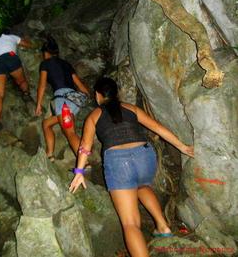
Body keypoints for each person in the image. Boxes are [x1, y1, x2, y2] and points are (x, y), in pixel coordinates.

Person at [69, 77, 194, 257]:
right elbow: (157, 127)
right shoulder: (131, 109)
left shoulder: (94, 115)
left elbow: (85, 146)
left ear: (98, 95)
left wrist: (79, 171)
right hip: (145, 155)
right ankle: (163, 225)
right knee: (143, 186)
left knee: (130, 223)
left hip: (119, 162)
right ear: (116, 93)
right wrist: (181, 146)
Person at [35, 36, 90, 161]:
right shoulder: (66, 64)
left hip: (62, 101)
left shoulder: (45, 64)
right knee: (46, 124)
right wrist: (87, 95)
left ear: (46, 53)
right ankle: (50, 155)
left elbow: (42, 85)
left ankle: (85, 162)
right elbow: (79, 84)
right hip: (74, 100)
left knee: (69, 133)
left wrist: (38, 104)